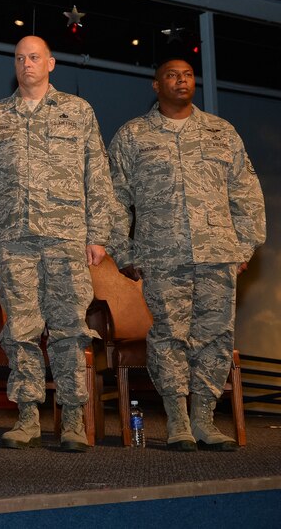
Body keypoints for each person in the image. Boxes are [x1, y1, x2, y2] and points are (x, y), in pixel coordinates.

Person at [107, 59, 265, 451]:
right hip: (162, 256)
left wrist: (244, 246)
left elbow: (245, 191)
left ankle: (205, 420)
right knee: (169, 337)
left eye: (188, 75)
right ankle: (177, 420)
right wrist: (123, 250)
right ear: (156, 84)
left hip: (217, 255)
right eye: (173, 75)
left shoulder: (221, 132)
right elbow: (113, 198)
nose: (182, 80)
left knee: (215, 337)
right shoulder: (134, 135)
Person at [0, 35, 113, 452]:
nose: (26, 64)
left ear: (50, 63)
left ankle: (71, 420)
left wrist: (98, 234)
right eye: (19, 58)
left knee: (70, 329)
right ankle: (29, 416)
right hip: (13, 238)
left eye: (34, 57)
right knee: (21, 330)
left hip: (67, 236)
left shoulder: (77, 111)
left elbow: (97, 175)